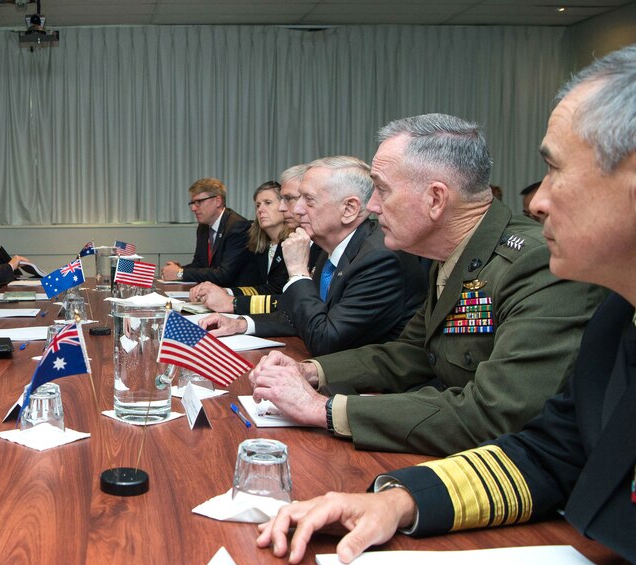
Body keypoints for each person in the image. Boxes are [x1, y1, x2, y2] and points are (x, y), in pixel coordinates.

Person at [258, 45, 636, 565]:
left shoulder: (541, 270)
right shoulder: (621, 317)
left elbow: (496, 411)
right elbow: (549, 453)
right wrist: (401, 500)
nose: (536, 199)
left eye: (558, 169)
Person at [250, 113, 604, 456]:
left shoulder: (533, 263)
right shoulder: (452, 253)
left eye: (382, 190)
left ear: (435, 199)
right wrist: (312, 370)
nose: (372, 206)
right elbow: (411, 353)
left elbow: (496, 411)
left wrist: (324, 410)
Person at [201, 156, 428, 356]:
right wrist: (241, 324)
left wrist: (299, 273)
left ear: (349, 209)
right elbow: (299, 315)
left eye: (308, 200)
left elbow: (326, 339)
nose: (296, 210)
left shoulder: (379, 259)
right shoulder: (335, 247)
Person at [190, 167, 323, 316]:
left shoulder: (296, 243)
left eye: (268, 203)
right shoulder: (261, 245)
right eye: (258, 205)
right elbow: (258, 287)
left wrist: (231, 300)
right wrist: (226, 293)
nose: (261, 210)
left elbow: (280, 292)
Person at [161, 177, 250, 286]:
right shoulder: (203, 227)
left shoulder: (237, 227)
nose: (193, 208)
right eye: (192, 203)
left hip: (234, 295)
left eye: (198, 202)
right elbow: (200, 264)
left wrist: (181, 273)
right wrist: (177, 270)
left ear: (217, 201)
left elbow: (224, 274)